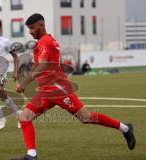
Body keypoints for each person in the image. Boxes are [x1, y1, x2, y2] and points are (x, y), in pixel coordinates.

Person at [11, 13, 136, 160]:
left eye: (32, 28)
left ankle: (125, 128)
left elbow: (44, 65)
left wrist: (24, 82)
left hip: (58, 89)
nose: (30, 32)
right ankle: (32, 155)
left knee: (86, 118)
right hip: (45, 92)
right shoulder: (42, 42)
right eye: (29, 29)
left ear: (41, 25)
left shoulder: (45, 41)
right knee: (25, 117)